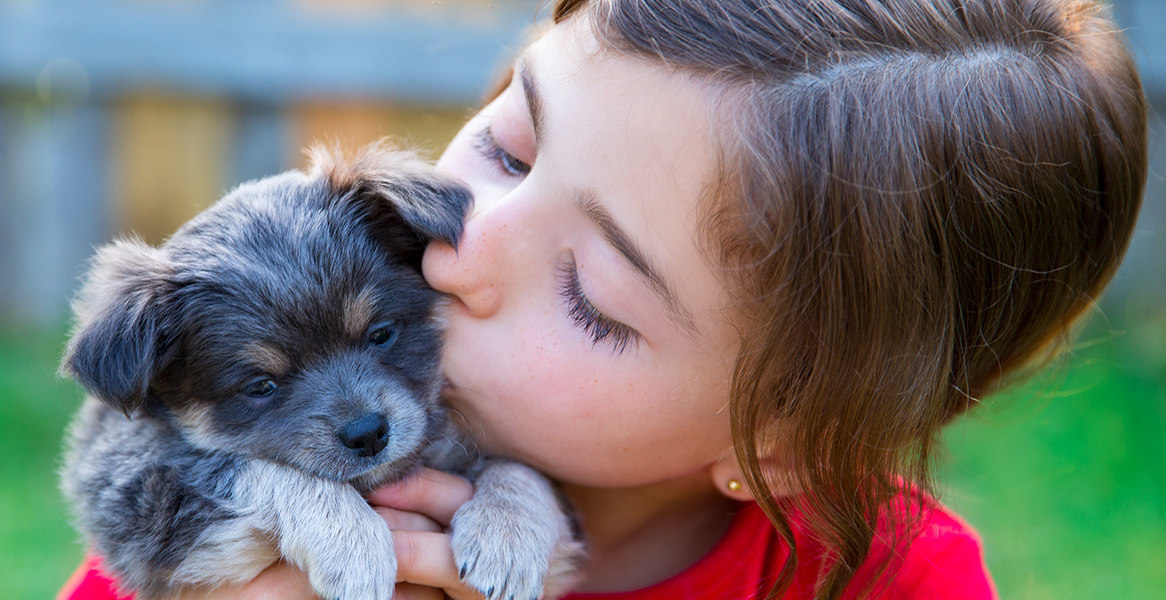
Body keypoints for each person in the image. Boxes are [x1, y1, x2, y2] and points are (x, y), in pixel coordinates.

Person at [61, 0, 1147, 598]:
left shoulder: (895, 584)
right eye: (510, 146)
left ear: (785, 444)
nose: (462, 251)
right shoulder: (239, 530)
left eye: (591, 299)